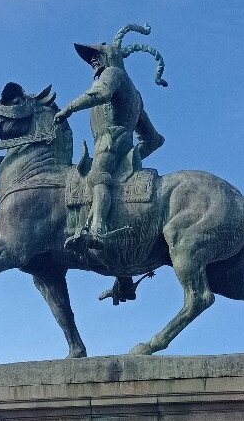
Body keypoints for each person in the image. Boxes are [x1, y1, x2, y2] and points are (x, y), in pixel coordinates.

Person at [55, 24, 166, 270]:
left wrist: (69, 109)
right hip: (120, 147)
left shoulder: (113, 75)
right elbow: (154, 139)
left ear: (111, 57)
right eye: (91, 58)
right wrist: (133, 157)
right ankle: (123, 274)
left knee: (97, 179)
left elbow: (100, 94)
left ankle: (97, 229)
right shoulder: (135, 94)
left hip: (109, 144)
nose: (93, 61)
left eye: (97, 56)